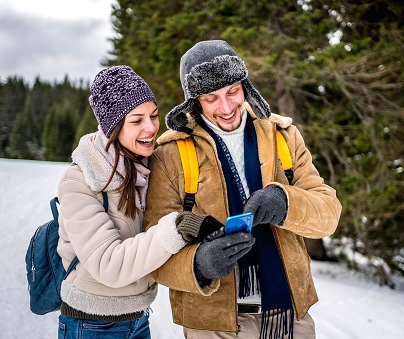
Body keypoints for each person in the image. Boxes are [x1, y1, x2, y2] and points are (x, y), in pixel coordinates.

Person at [143, 40, 342, 339]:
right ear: (194, 101)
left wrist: (285, 203)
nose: (226, 108)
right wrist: (198, 264)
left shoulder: (284, 136)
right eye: (211, 98)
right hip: (213, 324)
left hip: (290, 316)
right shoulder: (171, 155)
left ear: (245, 86)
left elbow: (329, 215)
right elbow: (153, 250)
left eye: (233, 92)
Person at [56, 66, 194, 339]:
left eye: (154, 116)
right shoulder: (79, 180)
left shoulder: (145, 167)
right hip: (91, 326)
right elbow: (108, 264)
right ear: (112, 127)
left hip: (138, 319)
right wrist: (174, 230)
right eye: (137, 120)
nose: (151, 127)